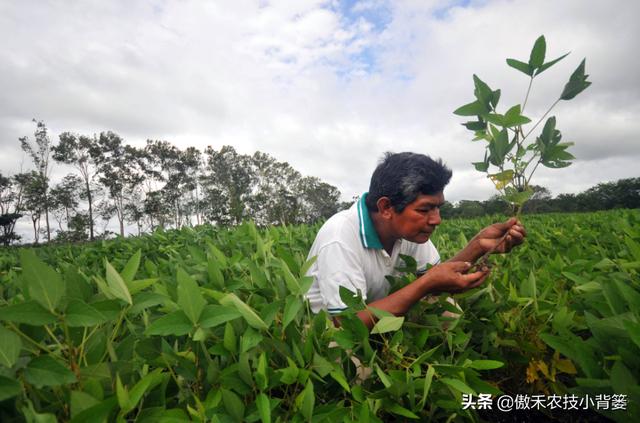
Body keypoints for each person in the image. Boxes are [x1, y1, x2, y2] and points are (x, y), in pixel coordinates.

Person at [304, 152, 526, 329]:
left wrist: (478, 245)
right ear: (386, 208)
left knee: (446, 309)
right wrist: (425, 285)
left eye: (438, 207)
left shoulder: (408, 230)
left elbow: (434, 277)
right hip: (333, 329)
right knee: (356, 363)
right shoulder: (339, 236)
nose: (436, 220)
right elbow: (347, 324)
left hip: (382, 314)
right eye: (424, 209)